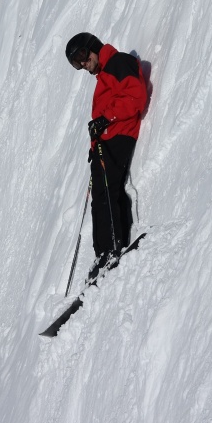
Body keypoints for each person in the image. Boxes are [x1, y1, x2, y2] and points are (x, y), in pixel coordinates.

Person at [65, 32, 147, 276]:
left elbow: (135, 96)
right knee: (100, 194)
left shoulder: (117, 63)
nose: (82, 63)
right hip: (106, 139)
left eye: (82, 55)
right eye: (76, 62)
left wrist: (104, 119)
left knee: (105, 191)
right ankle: (103, 253)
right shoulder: (104, 76)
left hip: (118, 135)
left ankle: (111, 249)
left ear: (93, 46)